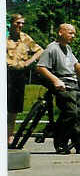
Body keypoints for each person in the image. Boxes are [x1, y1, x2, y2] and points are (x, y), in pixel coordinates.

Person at [36, 23, 80, 154]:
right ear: (60, 32)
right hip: (62, 84)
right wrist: (56, 80)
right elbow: (40, 67)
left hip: (73, 84)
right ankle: (60, 143)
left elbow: (76, 65)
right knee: (71, 113)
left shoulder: (68, 49)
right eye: (70, 33)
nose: (73, 36)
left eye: (74, 33)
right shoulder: (51, 48)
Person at [6, 14, 44, 145]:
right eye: (17, 23)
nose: (20, 26)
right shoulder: (5, 37)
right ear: (11, 23)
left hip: (19, 75)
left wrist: (29, 62)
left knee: (13, 109)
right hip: (6, 73)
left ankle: (9, 136)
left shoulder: (25, 38)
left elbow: (39, 51)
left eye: (22, 23)